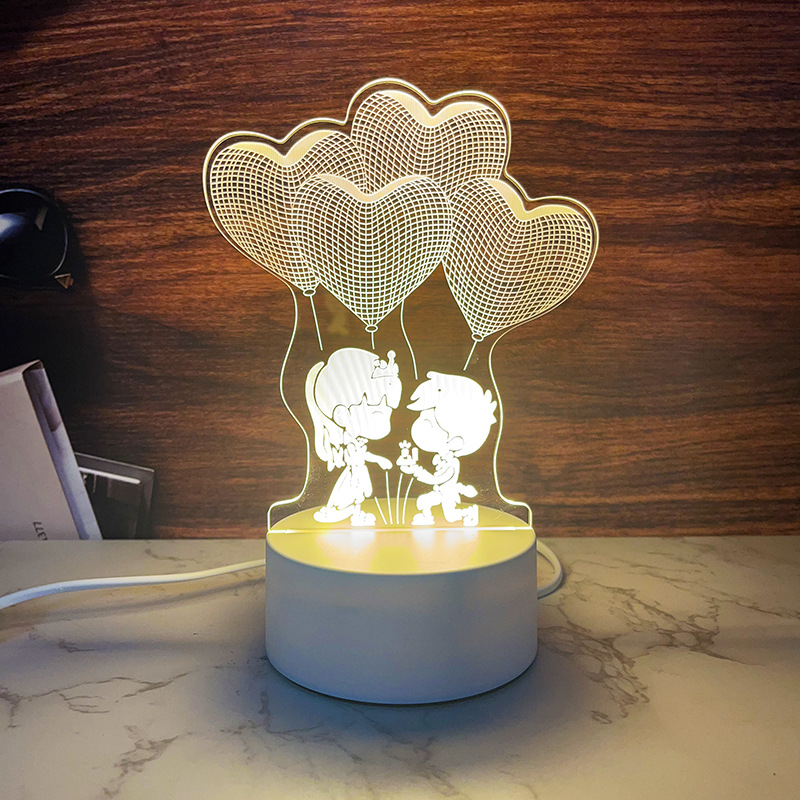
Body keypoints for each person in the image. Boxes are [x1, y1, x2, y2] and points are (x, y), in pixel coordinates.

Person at [306, 348, 401, 526]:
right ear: (342, 416)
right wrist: (379, 460)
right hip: (355, 473)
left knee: (358, 494)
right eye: (377, 413)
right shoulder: (350, 445)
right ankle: (341, 510)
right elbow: (362, 456)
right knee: (350, 493)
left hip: (358, 472)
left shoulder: (358, 442)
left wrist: (379, 460)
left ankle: (355, 513)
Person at [397, 371, 496, 526]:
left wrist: (416, 471)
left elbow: (437, 479)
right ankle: (426, 516)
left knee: (450, 516)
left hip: (447, 494)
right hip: (439, 492)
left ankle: (469, 512)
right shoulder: (441, 458)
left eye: (430, 422)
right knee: (423, 502)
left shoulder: (452, 464)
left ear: (455, 441)